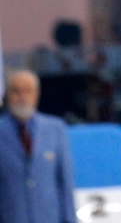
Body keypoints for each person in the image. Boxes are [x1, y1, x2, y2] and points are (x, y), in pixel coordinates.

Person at [0, 69, 76, 223]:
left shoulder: (55, 129)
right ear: (7, 94)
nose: (22, 96)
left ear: (36, 94)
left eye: (27, 91)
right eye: (16, 91)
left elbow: (64, 182)